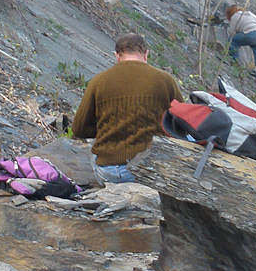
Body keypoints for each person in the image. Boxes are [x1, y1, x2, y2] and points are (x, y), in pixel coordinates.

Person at [71, 33, 183, 184]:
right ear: (146, 54)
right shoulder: (165, 80)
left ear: (117, 55)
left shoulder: (98, 81)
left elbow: (79, 129)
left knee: (95, 154)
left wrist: (107, 130)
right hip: (152, 170)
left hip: (110, 171)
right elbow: (182, 123)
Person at [225, 5, 256, 82]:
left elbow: (232, 32)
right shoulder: (249, 14)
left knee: (232, 41)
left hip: (252, 33)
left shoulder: (235, 16)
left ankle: (234, 63)